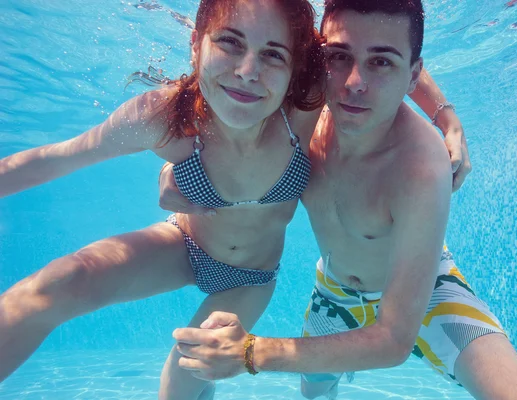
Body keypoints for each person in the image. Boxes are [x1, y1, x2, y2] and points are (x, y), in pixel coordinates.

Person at [0, 0, 456, 399]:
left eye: (272, 54)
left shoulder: (300, 109)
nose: (248, 71)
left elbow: (378, 51)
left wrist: (447, 119)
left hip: (250, 277)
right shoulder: (161, 117)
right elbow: (51, 159)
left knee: (180, 376)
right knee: (57, 282)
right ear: (197, 44)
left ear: (294, 64)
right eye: (230, 44)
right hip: (181, 247)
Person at [163, 1, 517, 399]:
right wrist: (180, 166)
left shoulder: (422, 166)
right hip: (335, 295)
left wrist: (252, 351)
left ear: (412, 75)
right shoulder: (301, 119)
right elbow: (217, 104)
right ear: (317, 58)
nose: (353, 82)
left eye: (381, 64)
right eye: (338, 56)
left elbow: (394, 341)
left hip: (429, 293)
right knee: (313, 396)